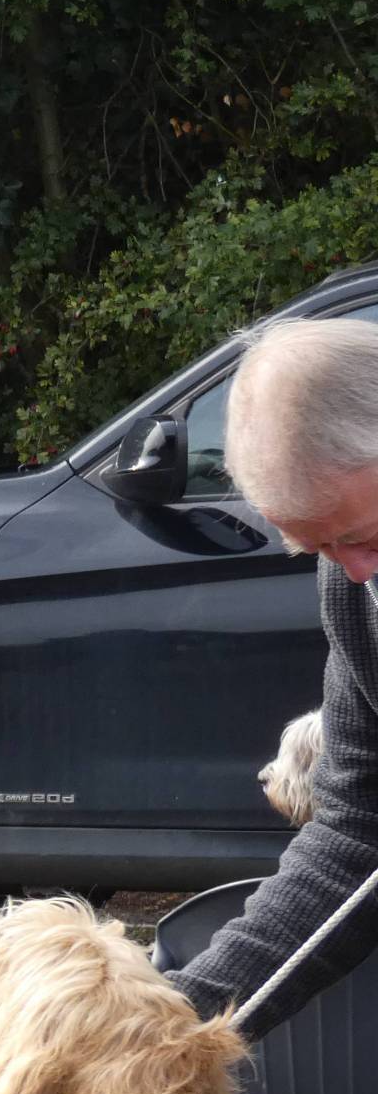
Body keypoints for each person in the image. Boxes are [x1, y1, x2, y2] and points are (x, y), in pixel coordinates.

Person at [167, 317, 378, 1032]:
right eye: (315, 548)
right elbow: (357, 833)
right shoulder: (355, 589)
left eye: (364, 538)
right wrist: (177, 1027)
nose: (353, 572)